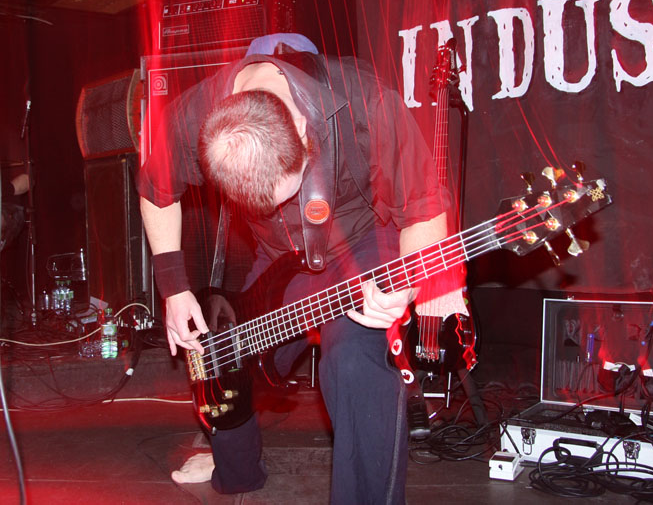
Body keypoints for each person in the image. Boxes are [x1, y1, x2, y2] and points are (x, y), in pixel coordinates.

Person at [136, 33, 453, 504]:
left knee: (354, 359)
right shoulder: (191, 116)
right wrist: (174, 290)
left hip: (363, 239)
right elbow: (156, 187)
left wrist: (405, 286)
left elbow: (423, 206)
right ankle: (235, 469)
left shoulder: (365, 102)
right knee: (220, 351)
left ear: (304, 126)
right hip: (278, 255)